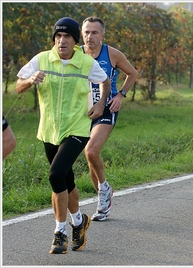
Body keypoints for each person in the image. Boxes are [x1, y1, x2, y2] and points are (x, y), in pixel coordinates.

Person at [15, 17, 110, 254]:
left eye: (67, 37)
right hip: (49, 130)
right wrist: (29, 80)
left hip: (77, 129)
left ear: (74, 40)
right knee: (66, 181)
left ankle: (60, 233)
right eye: (58, 37)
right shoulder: (42, 59)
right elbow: (18, 85)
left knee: (55, 174)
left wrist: (99, 107)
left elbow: (105, 82)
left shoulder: (86, 63)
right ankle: (79, 222)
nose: (61, 41)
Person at [81, 16, 138, 221]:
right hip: (83, 113)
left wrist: (121, 95)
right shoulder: (76, 54)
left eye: (94, 32)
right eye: (86, 32)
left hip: (107, 109)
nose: (90, 36)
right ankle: (103, 197)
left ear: (102, 35)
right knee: (90, 160)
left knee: (91, 150)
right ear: (82, 34)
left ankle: (104, 192)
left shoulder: (112, 54)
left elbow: (132, 73)